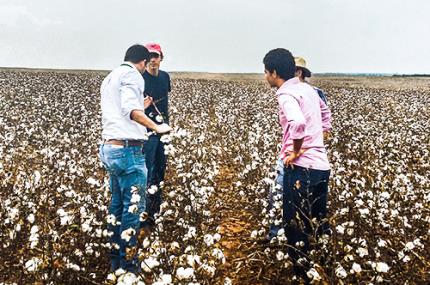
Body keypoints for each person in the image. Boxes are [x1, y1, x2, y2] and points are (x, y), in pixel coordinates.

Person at [99, 44, 172, 273]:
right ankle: (128, 264)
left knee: (118, 203)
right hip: (128, 150)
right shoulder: (133, 74)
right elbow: (131, 110)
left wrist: (143, 106)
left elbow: (122, 110)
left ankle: (115, 259)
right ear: (141, 62)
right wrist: (156, 126)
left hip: (110, 149)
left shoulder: (111, 77)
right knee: (133, 208)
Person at [263, 48, 332, 280]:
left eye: (265, 72)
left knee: (295, 228)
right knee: (319, 221)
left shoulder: (285, 94)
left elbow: (298, 123)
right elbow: (324, 113)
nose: (265, 77)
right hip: (321, 166)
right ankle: (325, 270)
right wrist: (318, 139)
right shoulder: (308, 89)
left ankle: (302, 276)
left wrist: (296, 151)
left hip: (302, 168)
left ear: (274, 72)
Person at [141, 43, 171, 226]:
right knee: (147, 170)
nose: (153, 60)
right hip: (146, 133)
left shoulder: (165, 77)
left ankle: (155, 211)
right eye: (150, 56)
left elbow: (166, 98)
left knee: (160, 169)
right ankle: (143, 213)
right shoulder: (139, 78)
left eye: (156, 56)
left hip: (163, 131)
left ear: (161, 58)